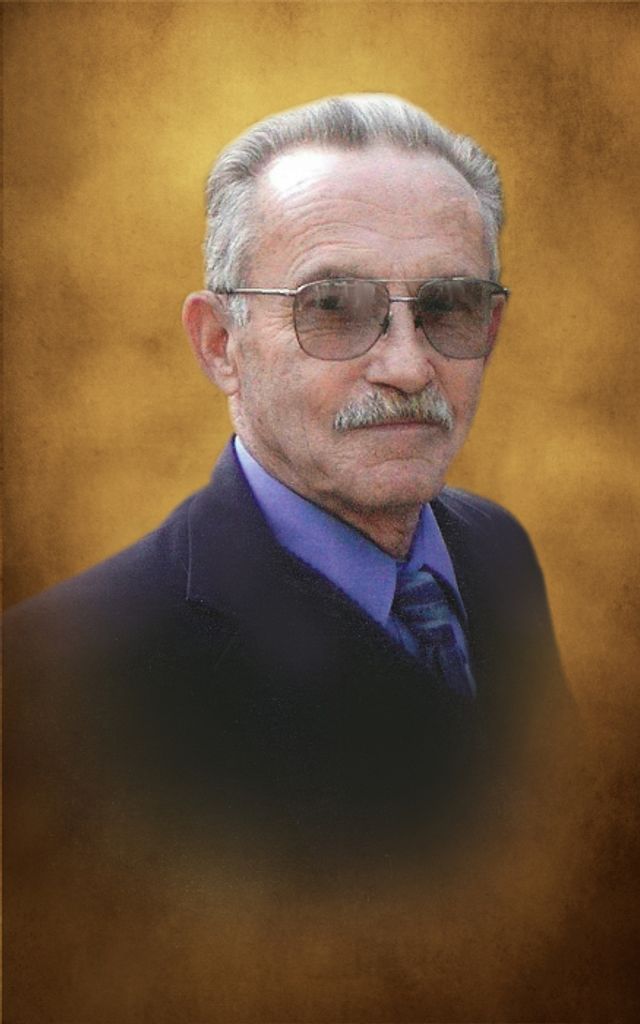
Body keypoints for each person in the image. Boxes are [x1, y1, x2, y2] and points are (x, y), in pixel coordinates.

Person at [5, 95, 572, 880]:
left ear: (491, 330)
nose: (408, 367)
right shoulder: (52, 680)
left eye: (449, 306)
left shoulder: (495, 551)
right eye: (332, 307)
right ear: (220, 344)